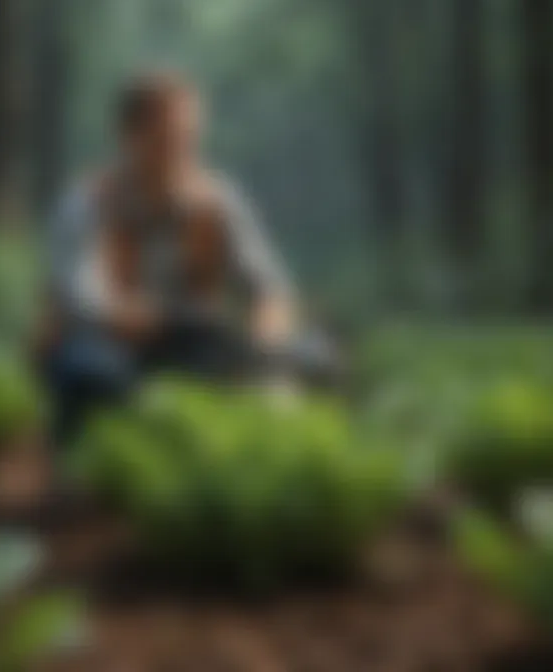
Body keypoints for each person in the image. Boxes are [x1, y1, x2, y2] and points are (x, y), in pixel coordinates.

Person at [37, 72, 334, 451]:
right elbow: (78, 296)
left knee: (303, 361)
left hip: (191, 342)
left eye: (188, 136)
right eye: (167, 137)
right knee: (90, 374)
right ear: (130, 136)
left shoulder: (217, 199)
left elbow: (270, 286)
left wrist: (267, 333)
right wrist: (125, 315)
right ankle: (84, 470)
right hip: (107, 343)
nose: (181, 148)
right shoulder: (88, 202)